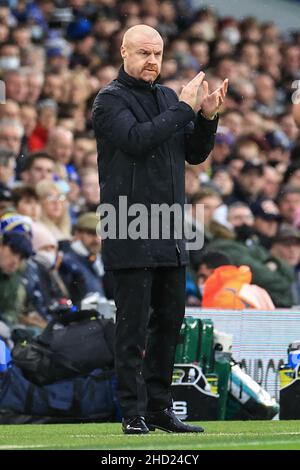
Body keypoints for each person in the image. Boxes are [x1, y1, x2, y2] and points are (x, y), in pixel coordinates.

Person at [92, 24, 228, 434]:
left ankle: (159, 409)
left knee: (169, 323)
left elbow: (195, 153)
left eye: (157, 54)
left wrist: (206, 117)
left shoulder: (170, 98)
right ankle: (132, 413)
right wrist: (185, 111)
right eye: (144, 53)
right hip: (127, 225)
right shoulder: (109, 101)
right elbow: (136, 140)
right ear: (124, 52)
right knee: (132, 326)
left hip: (169, 227)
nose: (152, 61)